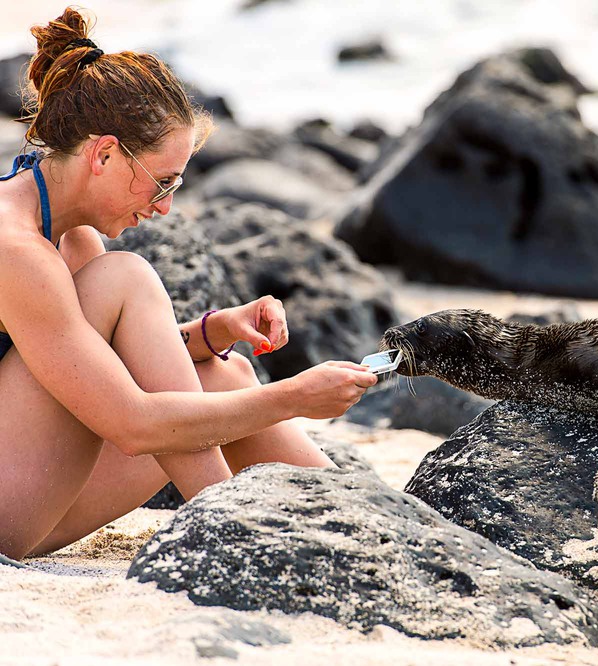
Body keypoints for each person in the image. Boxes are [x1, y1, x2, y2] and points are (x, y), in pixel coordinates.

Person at [0, 7, 379, 561]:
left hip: (20, 479)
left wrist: (212, 330)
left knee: (226, 375)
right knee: (127, 277)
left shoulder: (68, 233)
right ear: (103, 153)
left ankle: (366, 527)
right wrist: (294, 397)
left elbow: (88, 372)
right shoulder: (15, 247)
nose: (165, 206)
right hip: (8, 508)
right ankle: (229, 531)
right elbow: (130, 423)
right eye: (161, 182)